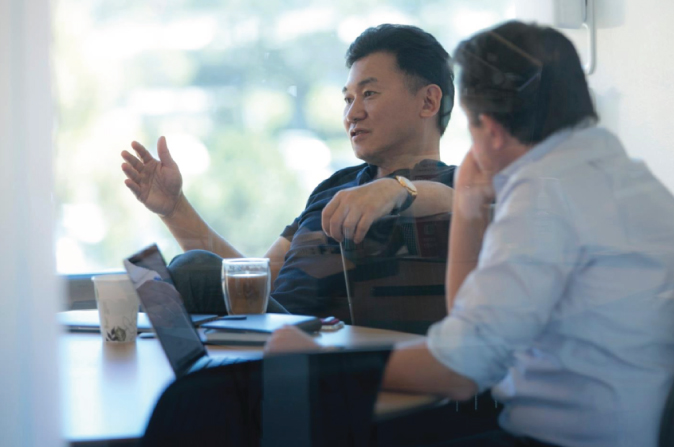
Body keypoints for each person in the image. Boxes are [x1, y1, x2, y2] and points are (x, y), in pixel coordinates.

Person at [267, 21, 674, 447]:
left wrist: (317, 362)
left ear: (491, 128)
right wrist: (467, 200)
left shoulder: (542, 194)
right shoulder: (628, 178)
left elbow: (459, 370)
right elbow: (468, 326)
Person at [121, 24, 457, 320]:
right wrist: (174, 208)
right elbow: (251, 281)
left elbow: (462, 205)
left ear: (428, 102)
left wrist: (397, 189)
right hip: (275, 337)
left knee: (191, 272)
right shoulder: (335, 187)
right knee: (179, 280)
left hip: (335, 362)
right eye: (347, 98)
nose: (352, 114)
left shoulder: (462, 184)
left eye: (368, 94)